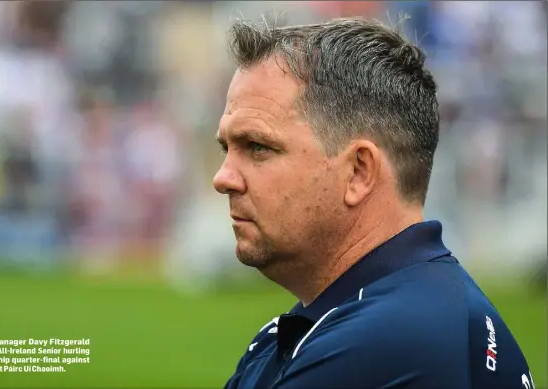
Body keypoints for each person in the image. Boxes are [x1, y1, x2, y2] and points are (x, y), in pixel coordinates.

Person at [213, 17, 534, 389]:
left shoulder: (390, 340)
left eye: (257, 147)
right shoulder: (405, 310)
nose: (223, 178)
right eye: (227, 147)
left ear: (359, 172)